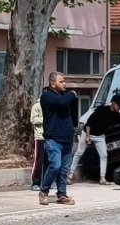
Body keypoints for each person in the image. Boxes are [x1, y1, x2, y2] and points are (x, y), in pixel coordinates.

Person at [69, 94, 120, 185]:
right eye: (118, 105)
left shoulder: (117, 115)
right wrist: (87, 136)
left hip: (100, 136)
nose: (119, 108)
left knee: (104, 155)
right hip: (87, 133)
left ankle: (102, 178)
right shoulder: (101, 109)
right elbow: (89, 123)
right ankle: (70, 176)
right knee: (79, 153)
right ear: (113, 103)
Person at [39, 72, 77, 206]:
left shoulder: (64, 97)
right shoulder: (47, 96)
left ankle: (62, 194)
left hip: (67, 138)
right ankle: (44, 191)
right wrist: (72, 94)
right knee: (55, 166)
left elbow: (71, 111)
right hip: (53, 139)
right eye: (61, 81)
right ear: (52, 83)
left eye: (64, 81)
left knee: (64, 169)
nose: (64, 83)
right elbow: (62, 102)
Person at [29, 98, 46, 191]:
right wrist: (45, 118)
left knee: (50, 161)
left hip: (50, 137)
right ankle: (35, 183)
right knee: (38, 161)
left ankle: (48, 182)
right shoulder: (37, 106)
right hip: (40, 137)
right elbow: (33, 120)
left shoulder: (52, 105)